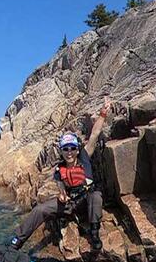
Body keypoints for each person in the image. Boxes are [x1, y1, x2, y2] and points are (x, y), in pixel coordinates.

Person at [10, 101, 111, 252]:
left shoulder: (84, 157)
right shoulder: (59, 169)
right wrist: (62, 196)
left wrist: (103, 113)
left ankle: (94, 233)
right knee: (40, 210)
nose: (69, 152)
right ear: (62, 151)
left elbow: (94, 134)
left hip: (87, 200)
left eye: (72, 148)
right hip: (70, 203)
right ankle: (17, 241)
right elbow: (61, 188)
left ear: (77, 150)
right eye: (66, 149)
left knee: (95, 195)